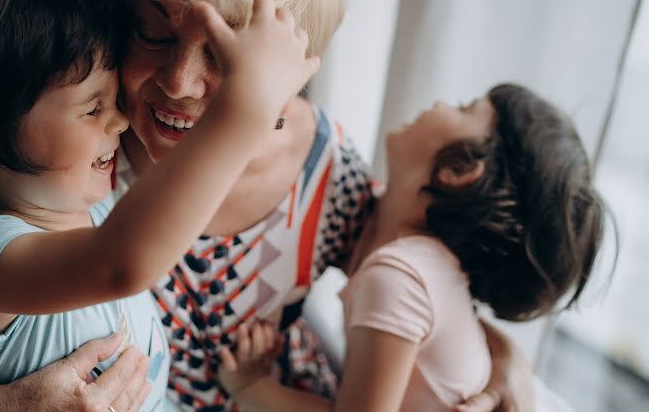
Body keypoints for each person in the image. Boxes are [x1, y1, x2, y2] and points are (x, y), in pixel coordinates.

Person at [0, 0, 534, 412]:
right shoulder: (73, 161)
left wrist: (506, 358)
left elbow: (412, 278)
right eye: (155, 32)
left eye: (227, 56)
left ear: (288, 71)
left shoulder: (326, 170)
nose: (177, 82)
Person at [0, 0, 317, 410]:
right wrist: (244, 108)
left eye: (113, 100)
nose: (119, 120)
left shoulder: (81, 195)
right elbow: (121, 264)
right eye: (92, 109)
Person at [217, 84, 609, 411]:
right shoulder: (419, 264)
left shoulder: (400, 275)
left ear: (460, 170)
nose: (440, 102)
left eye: (462, 108)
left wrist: (250, 386)